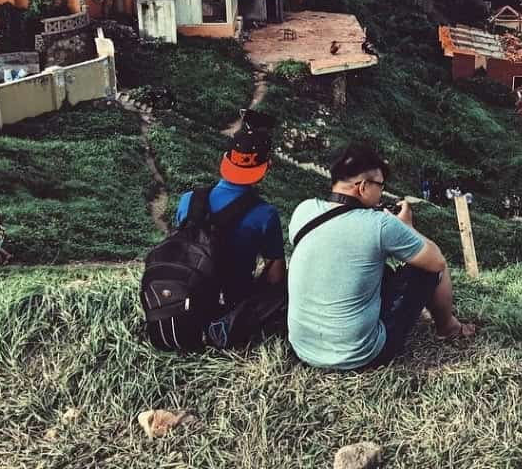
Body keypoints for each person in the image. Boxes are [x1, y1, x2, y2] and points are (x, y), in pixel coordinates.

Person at [287, 144, 475, 370]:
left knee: (378, 270)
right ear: (363, 187)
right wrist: (407, 227)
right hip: (361, 355)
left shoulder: (304, 210)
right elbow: (436, 261)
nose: (381, 192)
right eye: (380, 186)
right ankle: (449, 328)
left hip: (303, 348)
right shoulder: (380, 225)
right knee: (426, 270)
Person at [173, 111, 287, 348]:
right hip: (235, 302)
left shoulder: (188, 200)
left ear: (226, 159)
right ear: (266, 167)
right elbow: (275, 275)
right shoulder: (265, 214)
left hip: (188, 299)